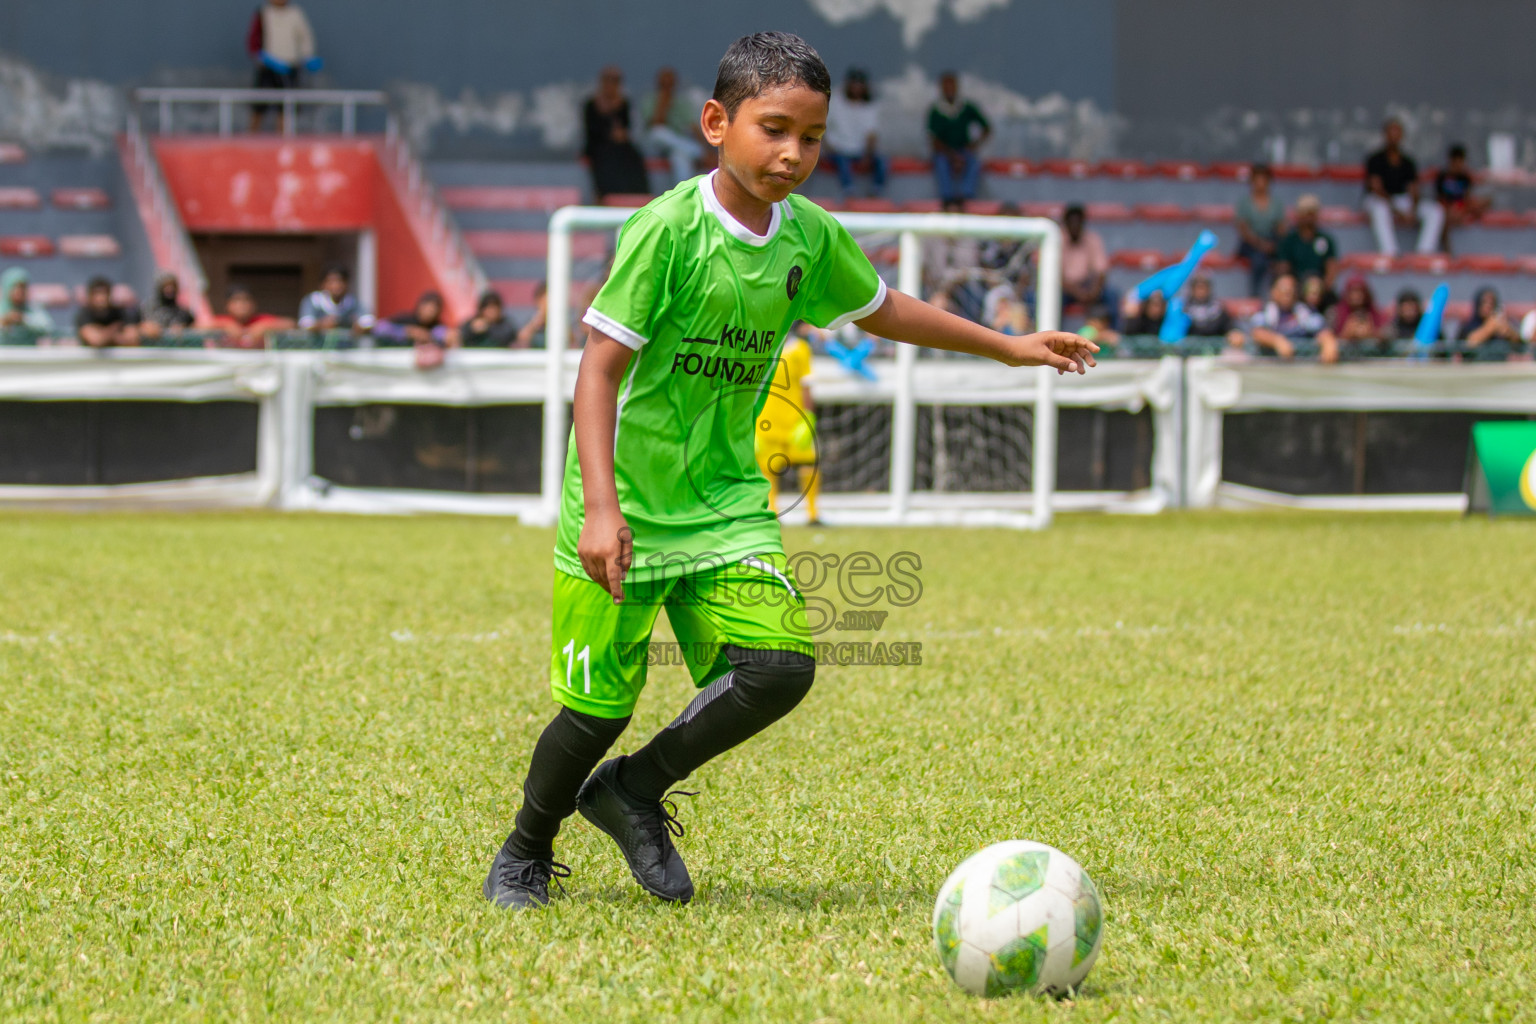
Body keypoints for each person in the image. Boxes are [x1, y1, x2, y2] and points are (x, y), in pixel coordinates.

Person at [481, 31, 1097, 912]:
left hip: (727, 500)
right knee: (596, 712)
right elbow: (597, 373)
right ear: (715, 122)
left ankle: (633, 791)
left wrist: (1007, 346)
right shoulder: (667, 230)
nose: (793, 154)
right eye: (774, 130)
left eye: (810, 138)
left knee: (781, 666)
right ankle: (525, 850)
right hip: (624, 503)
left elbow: (883, 307)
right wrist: (600, 511)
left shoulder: (807, 236)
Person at [755, 327, 820, 524]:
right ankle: (772, 512)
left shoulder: (800, 348)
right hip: (766, 419)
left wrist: (809, 417)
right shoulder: (759, 346)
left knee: (809, 464)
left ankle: (813, 514)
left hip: (794, 419)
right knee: (767, 468)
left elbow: (806, 384)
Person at [1362, 118, 1444, 256]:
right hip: (1378, 200)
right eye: (1391, 132)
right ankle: (1390, 253)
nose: (1394, 136)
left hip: (1401, 200)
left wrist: (1413, 209)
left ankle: (1424, 254)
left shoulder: (1407, 161)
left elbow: (1414, 189)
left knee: (1435, 211)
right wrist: (1397, 210)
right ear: (1385, 135)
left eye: (1397, 132)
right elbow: (1376, 188)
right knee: (1380, 208)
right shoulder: (1375, 159)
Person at [245, 0, 319, 133]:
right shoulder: (263, 13)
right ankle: (250, 138)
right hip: (267, 68)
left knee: (286, 108)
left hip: (289, 68)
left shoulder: (295, 13)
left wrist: (308, 55)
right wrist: (263, 57)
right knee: (258, 106)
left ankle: (283, 138)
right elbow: (253, 41)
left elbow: (305, 36)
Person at [584, 67, 651, 201]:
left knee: (633, 158)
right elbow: (591, 130)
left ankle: (636, 195)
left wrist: (620, 134)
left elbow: (626, 126)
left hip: (620, 146)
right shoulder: (591, 104)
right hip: (599, 147)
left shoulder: (623, 103)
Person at [1240, 272, 1338, 363]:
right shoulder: (1265, 311)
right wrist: (1277, 341)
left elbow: (1321, 330)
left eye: (1291, 289)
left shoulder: (1304, 312)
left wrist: (1328, 342)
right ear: (1273, 292)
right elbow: (1257, 332)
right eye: (1283, 289)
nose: (1288, 293)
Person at [927, 72, 989, 211]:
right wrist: (951, 155)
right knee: (940, 163)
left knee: (974, 162)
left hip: (964, 150)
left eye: (952, 86)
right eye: (946, 86)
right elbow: (933, 139)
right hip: (944, 152)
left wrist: (974, 145)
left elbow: (987, 128)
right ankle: (947, 199)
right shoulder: (935, 110)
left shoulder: (967, 107)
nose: (949, 89)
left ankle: (966, 197)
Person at [824, 69, 885, 198]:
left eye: (860, 85)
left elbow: (871, 134)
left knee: (882, 162)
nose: (857, 88)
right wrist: (827, 147)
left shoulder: (869, 107)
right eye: (854, 84)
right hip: (838, 149)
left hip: (859, 151)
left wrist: (868, 155)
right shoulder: (836, 101)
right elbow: (823, 126)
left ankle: (875, 192)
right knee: (842, 162)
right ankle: (849, 192)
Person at [641, 67, 705, 186]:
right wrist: (663, 102)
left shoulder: (681, 102)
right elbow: (655, 123)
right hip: (654, 146)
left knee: (680, 157)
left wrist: (705, 147)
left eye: (669, 84)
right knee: (658, 132)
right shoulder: (650, 99)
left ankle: (682, 194)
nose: (667, 87)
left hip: (675, 145)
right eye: (663, 84)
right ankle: (695, 151)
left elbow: (693, 126)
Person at [1234, 163, 1284, 297]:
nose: (1260, 183)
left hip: (1271, 243)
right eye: (1257, 180)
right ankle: (1254, 297)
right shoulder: (1245, 203)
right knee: (1259, 261)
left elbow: (1281, 228)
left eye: (1264, 180)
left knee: (1282, 262)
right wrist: (1261, 244)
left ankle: (1278, 295)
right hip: (1251, 245)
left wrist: (1274, 244)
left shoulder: (1276, 203)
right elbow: (1243, 230)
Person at [374, 291, 460, 367]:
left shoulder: (437, 327)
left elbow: (443, 335)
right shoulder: (405, 320)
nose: (429, 312)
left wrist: (449, 337)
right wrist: (407, 332)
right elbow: (379, 329)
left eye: (433, 310)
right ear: (420, 306)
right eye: (427, 308)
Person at [1276, 195, 1338, 294]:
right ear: (1298, 215)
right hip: (1297, 289)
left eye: (1312, 213)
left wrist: (1320, 289)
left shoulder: (1325, 240)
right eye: (1306, 213)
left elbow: (1331, 269)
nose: (1309, 217)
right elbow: (1284, 269)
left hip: (1320, 290)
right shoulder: (1289, 241)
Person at [1435, 144, 1491, 253]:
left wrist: (1461, 206)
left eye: (1461, 162)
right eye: (1456, 162)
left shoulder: (1465, 178)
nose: (1459, 166)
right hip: (1446, 208)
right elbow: (1440, 198)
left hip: (1462, 206)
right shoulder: (1442, 177)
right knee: (1444, 216)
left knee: (1484, 202)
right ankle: (1447, 249)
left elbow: (1466, 197)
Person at [1060, 204, 1111, 312]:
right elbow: (1055, 276)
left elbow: (1101, 272)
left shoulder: (1092, 239)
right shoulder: (1056, 240)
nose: (1074, 226)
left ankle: (1112, 329)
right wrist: (1077, 292)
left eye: (1077, 222)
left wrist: (1094, 292)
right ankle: (1050, 328)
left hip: (1087, 285)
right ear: (1065, 223)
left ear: (1083, 223)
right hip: (1064, 288)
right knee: (1051, 299)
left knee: (1112, 296)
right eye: (1071, 222)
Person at [208, 285, 291, 349]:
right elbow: (199, 325)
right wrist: (225, 325)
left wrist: (264, 327)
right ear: (227, 305)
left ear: (254, 304)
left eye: (246, 300)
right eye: (236, 300)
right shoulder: (224, 320)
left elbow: (290, 323)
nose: (242, 305)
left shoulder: (260, 320)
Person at [298, 266, 373, 333]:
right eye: (331, 282)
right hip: (319, 347)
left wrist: (357, 326)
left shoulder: (352, 302)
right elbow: (305, 323)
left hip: (346, 347)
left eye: (340, 281)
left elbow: (368, 321)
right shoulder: (314, 301)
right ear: (322, 285)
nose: (336, 286)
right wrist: (321, 325)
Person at [75, 276, 141, 348]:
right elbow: (96, 340)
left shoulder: (121, 313)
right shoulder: (84, 314)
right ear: (90, 296)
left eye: (104, 293)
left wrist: (102, 333)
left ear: (110, 295)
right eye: (97, 294)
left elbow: (132, 339)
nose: (101, 298)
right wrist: (113, 330)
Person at [1332, 275, 1387, 354]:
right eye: (1353, 291)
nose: (1356, 295)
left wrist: (1372, 333)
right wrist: (1348, 333)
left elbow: (1388, 333)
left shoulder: (1375, 313)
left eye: (1359, 291)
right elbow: (1327, 333)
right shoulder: (1335, 312)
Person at [1457, 286, 1521, 353]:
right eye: (1485, 302)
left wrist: (1509, 331)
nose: (1488, 306)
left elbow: (1520, 343)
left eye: (1492, 303)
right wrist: (1490, 327)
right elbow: (1468, 344)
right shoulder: (1468, 325)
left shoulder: (1500, 323)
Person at [0, 267, 55, 344]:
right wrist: (4, 323)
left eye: (23, 287)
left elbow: (49, 328)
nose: (20, 292)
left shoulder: (33, 309)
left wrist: (24, 320)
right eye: (15, 287)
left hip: (28, 354)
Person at [139, 272, 196, 339]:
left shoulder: (182, 312)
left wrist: (182, 327)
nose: (170, 290)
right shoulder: (148, 308)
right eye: (166, 286)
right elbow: (140, 326)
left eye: (172, 286)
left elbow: (193, 325)